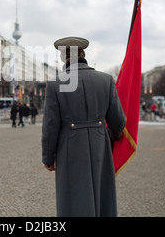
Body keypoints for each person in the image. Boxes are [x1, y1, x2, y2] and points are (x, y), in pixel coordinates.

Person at [42, 37, 126, 217]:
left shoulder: (56, 84)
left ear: (65, 57)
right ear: (83, 53)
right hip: (100, 144)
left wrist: (48, 157)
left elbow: (51, 126)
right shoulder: (106, 80)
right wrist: (111, 136)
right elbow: (118, 120)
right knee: (102, 195)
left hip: (69, 148)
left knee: (74, 198)